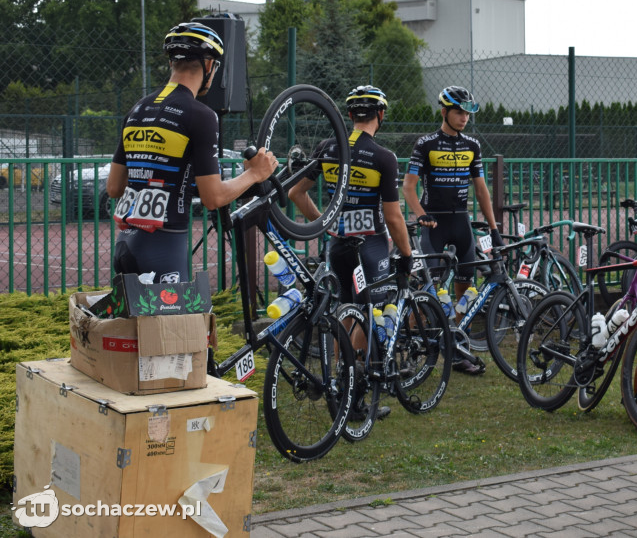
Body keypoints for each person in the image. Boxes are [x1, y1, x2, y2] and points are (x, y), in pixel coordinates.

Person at [106, 22, 277, 283]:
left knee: (133, 324)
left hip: (126, 245)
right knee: (179, 325)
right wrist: (255, 173)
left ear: (172, 63)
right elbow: (214, 198)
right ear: (209, 65)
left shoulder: (137, 109)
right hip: (164, 249)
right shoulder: (200, 115)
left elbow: (114, 187)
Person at [289, 85, 412, 421]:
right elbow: (392, 215)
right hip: (370, 246)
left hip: (338, 243)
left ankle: (335, 380)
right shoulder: (384, 157)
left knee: (345, 311)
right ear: (381, 115)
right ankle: (350, 388)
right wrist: (407, 252)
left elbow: (296, 192)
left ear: (350, 116)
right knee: (370, 313)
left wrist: (324, 222)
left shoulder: (328, 148)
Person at [402, 85, 502, 375]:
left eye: (468, 113)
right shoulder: (426, 144)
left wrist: (494, 229)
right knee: (426, 292)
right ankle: (411, 352)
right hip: (434, 225)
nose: (464, 118)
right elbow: (408, 187)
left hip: (461, 224)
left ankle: (457, 348)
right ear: (444, 111)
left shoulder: (473, 145)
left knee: (466, 290)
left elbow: (481, 190)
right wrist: (421, 215)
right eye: (459, 112)